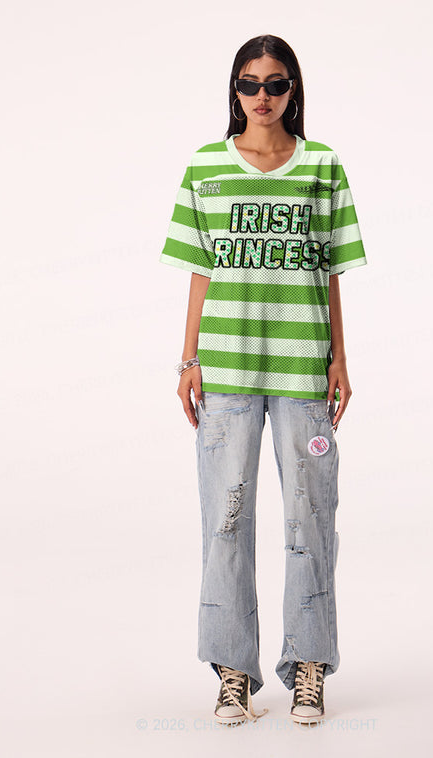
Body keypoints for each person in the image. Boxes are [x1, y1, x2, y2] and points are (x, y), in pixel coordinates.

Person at [159, 34, 367, 726]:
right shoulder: (205, 166)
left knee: (311, 518)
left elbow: (331, 271)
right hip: (226, 367)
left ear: (292, 90)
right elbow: (200, 269)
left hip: (303, 367)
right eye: (249, 84)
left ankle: (308, 666)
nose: (262, 96)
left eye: (275, 84)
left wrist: (339, 357)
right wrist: (188, 359)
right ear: (235, 91)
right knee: (225, 520)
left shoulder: (323, 166)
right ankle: (232, 671)